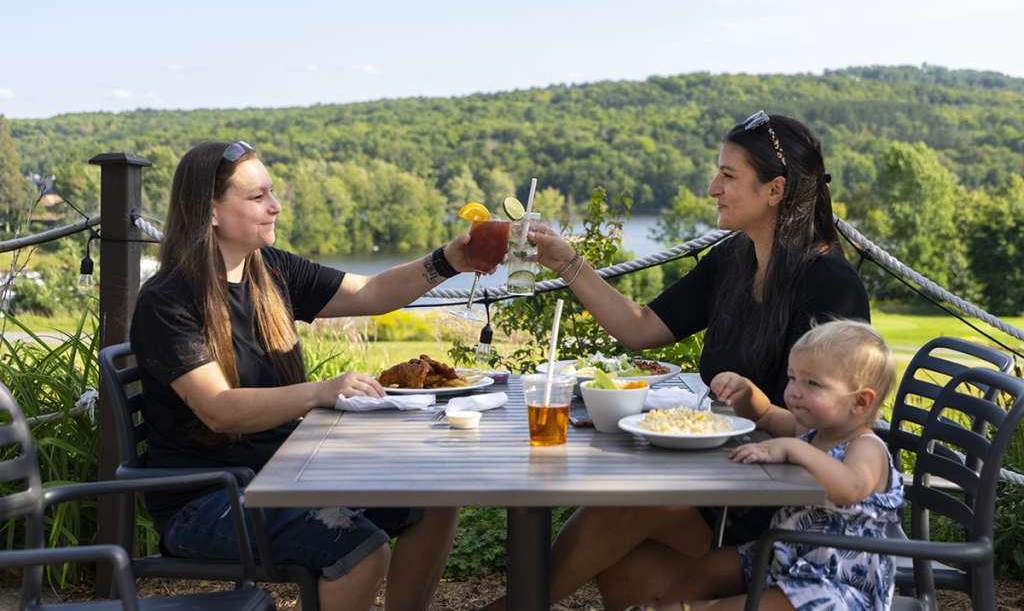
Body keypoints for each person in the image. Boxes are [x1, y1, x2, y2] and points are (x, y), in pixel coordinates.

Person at [483, 112, 871, 609]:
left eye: (728, 176)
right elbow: (642, 327)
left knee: (629, 506)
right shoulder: (735, 259)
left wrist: (755, 408)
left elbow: (836, 429)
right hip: (728, 482)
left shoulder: (830, 284)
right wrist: (566, 262)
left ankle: (513, 607)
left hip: (789, 512)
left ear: (775, 189)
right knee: (626, 568)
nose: (713, 188)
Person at [130, 140, 471, 611]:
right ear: (210, 212)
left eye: (270, 193)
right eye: (257, 197)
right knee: (359, 551)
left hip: (284, 476)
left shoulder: (270, 270)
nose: (275, 206)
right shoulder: (168, 300)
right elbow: (219, 409)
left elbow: (370, 292)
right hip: (206, 502)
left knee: (431, 500)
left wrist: (448, 261)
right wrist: (322, 392)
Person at [639, 319, 903, 610]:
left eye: (812, 383)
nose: (794, 391)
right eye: (793, 377)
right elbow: (764, 415)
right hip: (786, 557)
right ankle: (668, 606)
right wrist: (746, 391)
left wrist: (793, 449)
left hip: (836, 585)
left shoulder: (867, 448)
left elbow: (850, 487)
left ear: (862, 402)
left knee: (768, 603)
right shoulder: (811, 431)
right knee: (713, 565)